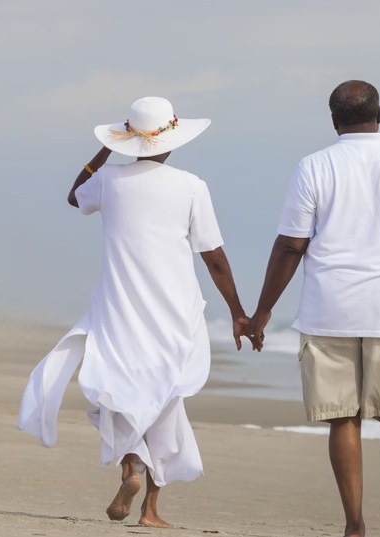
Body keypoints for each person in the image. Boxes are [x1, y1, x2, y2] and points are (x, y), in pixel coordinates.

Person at [18, 96, 251, 528]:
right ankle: (151, 511)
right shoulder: (191, 185)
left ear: (129, 138)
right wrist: (239, 312)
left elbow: (74, 196)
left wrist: (109, 147)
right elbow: (214, 256)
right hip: (174, 311)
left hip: (119, 307)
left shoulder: (108, 180)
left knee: (121, 393)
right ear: (172, 139)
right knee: (166, 397)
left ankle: (130, 470)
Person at [249, 80, 380, 537]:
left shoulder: (314, 166)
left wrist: (260, 313)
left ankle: (355, 524)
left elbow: (290, 248)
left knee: (343, 417)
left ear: (333, 120)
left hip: (329, 309)